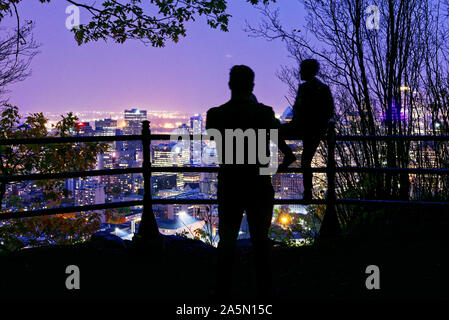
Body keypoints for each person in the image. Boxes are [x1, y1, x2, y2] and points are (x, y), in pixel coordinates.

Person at [206, 65, 294, 299]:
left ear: (230, 85)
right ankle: (264, 290)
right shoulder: (265, 113)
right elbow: (278, 131)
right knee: (260, 239)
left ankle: (222, 290)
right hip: (258, 183)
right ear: (252, 86)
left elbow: (213, 133)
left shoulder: (215, 114)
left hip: (230, 183)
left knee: (227, 239)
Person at [281, 59, 335, 202]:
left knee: (305, 160)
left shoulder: (315, 89)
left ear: (308, 71)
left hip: (308, 129)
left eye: (302, 70)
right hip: (312, 130)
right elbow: (329, 111)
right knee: (306, 161)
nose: (299, 73)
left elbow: (299, 109)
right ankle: (307, 192)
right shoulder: (321, 88)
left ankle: (288, 156)